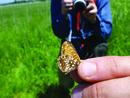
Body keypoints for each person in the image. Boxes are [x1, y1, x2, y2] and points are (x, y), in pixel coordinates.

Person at [51, 0, 112, 94]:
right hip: (70, 43)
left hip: (93, 43)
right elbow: (58, 32)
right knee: (65, 82)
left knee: (95, 82)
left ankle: (94, 90)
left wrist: (94, 20)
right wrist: (64, 14)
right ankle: (63, 91)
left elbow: (106, 33)